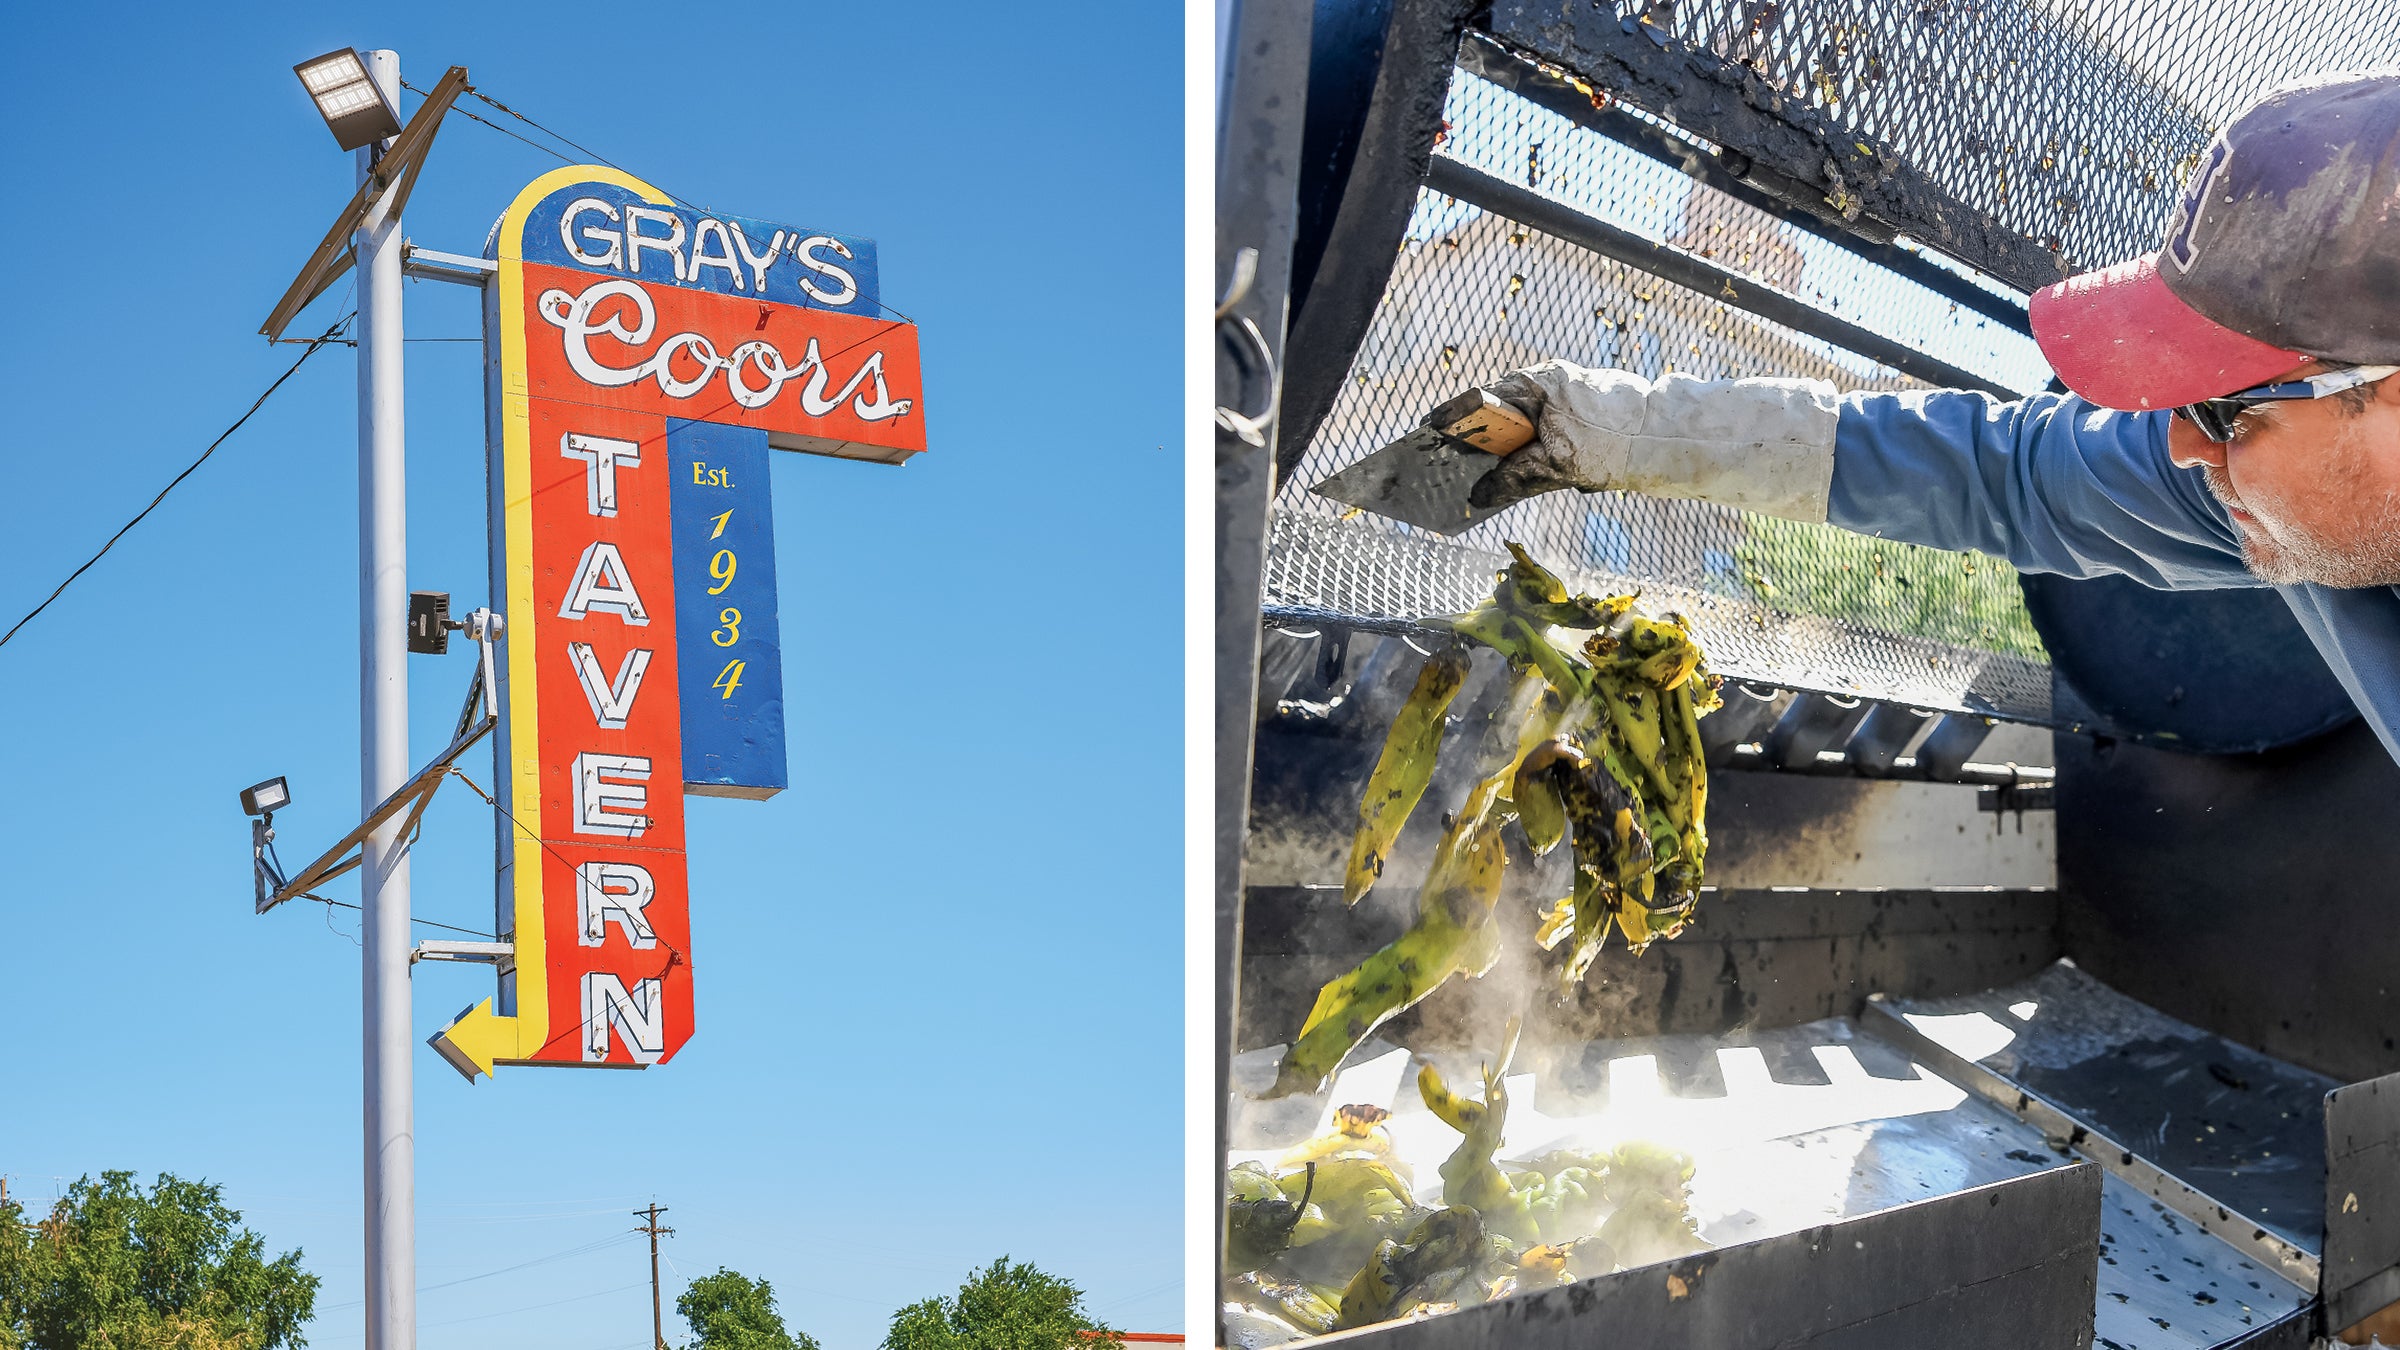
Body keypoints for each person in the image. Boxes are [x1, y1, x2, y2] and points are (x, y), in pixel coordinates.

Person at [1460, 69, 2400, 778]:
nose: (2187, 448)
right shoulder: (2289, 496)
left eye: (2230, 411)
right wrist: (1597, 429)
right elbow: (2006, 472)